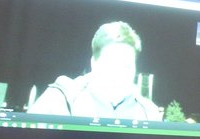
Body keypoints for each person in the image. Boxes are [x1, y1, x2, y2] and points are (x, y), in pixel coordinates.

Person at [28, 21, 162, 120]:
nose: (119, 75)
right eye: (111, 65)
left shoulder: (149, 113)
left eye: (127, 66)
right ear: (94, 63)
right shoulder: (60, 98)